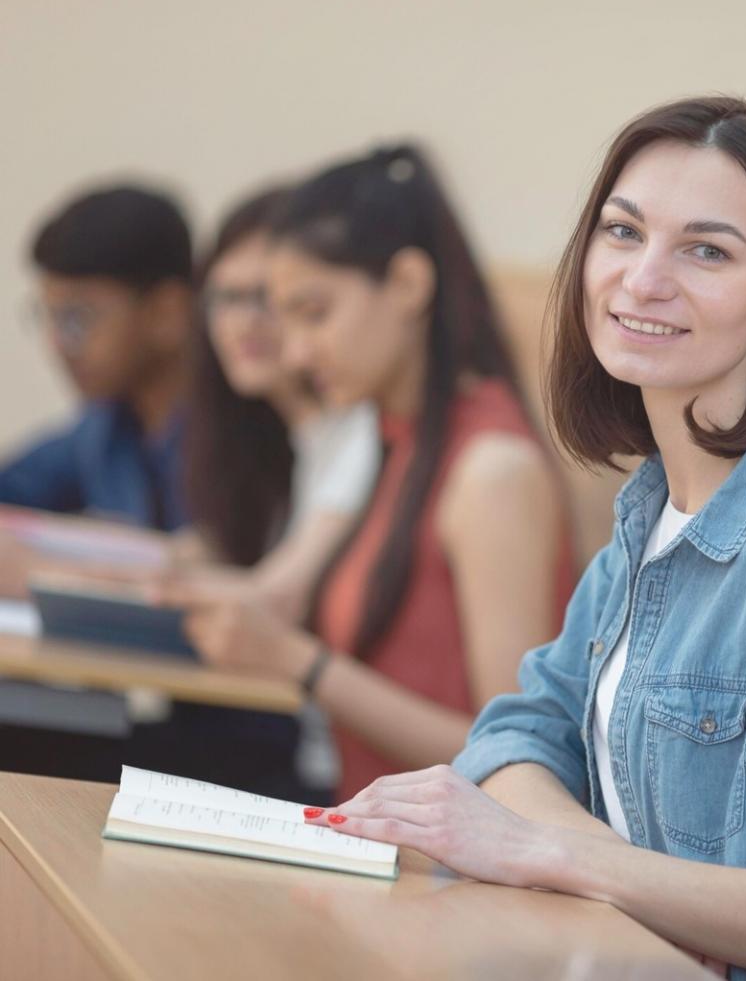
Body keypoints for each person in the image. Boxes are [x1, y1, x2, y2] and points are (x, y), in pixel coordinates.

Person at [305, 98, 746, 981]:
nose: (642, 279)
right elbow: (515, 737)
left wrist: (555, 853)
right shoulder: (655, 507)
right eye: (623, 231)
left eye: (706, 250)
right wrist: (575, 854)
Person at [161, 145, 574, 803]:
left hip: (428, 852)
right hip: (361, 825)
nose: (296, 353)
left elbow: (512, 759)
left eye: (314, 313)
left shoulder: (490, 471)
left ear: (408, 284)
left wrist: (301, 662)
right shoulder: (391, 441)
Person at [181, 185, 379, 622]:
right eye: (226, 298)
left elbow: (278, 598)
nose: (244, 322)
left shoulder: (362, 429)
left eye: (266, 298)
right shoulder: (280, 438)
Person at [1, 185, 194, 530]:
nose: (58, 344)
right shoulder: (105, 426)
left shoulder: (240, 435)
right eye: (49, 316)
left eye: (77, 319)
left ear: (166, 313)